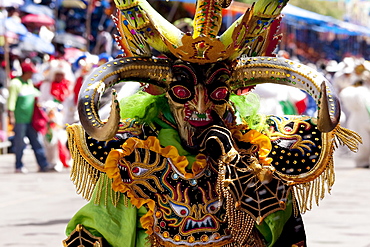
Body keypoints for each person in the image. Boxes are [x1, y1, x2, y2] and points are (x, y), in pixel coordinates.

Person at [63, 0, 361, 246]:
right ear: (162, 93)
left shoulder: (257, 149)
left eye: (217, 93)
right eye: (184, 92)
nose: (202, 106)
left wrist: (234, 161)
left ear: (231, 94)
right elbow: (100, 229)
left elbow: (278, 226)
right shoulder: (132, 155)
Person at [7, 60, 51, 173]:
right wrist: (12, 118)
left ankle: (43, 164)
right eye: (30, 73)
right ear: (25, 72)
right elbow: (11, 102)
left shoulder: (29, 83)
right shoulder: (15, 83)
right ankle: (18, 165)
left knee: (36, 142)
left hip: (32, 120)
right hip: (20, 120)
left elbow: (37, 95)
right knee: (20, 144)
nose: (32, 75)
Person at [38, 59, 74, 172]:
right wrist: (48, 109)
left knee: (64, 140)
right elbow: (41, 101)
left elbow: (70, 104)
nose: (59, 77)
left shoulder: (68, 87)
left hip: (64, 119)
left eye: (61, 74)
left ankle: (65, 160)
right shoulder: (46, 86)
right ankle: (52, 161)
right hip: (50, 119)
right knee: (50, 141)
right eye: (57, 74)